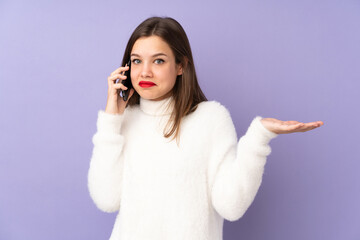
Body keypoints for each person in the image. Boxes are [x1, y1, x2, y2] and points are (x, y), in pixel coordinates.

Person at [87, 16, 324, 240]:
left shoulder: (210, 119)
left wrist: (258, 137)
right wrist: (111, 120)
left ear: (181, 65)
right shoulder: (123, 121)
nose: (145, 71)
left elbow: (231, 205)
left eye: (158, 60)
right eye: (137, 60)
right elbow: (106, 199)